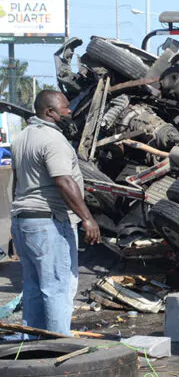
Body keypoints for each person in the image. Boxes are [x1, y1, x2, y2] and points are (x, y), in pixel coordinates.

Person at [11, 90, 101, 336]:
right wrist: (87, 218)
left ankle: (34, 344)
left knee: (33, 287)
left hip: (24, 220)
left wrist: (15, 219)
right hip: (48, 223)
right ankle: (59, 346)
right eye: (65, 108)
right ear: (49, 112)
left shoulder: (21, 138)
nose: (70, 111)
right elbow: (64, 182)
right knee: (57, 288)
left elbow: (16, 183)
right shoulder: (53, 140)